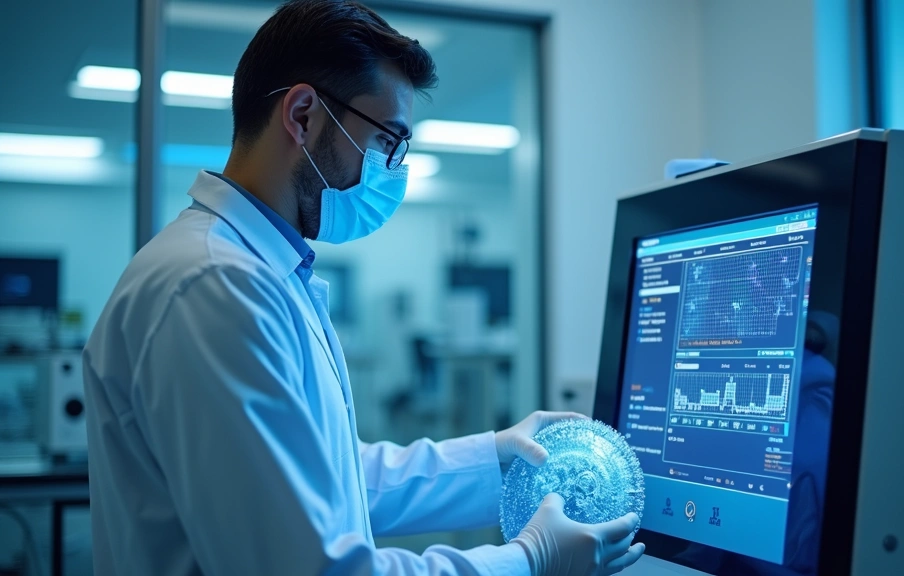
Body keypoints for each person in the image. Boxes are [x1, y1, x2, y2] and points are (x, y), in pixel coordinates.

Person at [82, 1, 645, 575]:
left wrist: (497, 458)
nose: (392, 171)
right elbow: (312, 567)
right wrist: (528, 560)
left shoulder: (261, 272)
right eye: (387, 142)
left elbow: (331, 477)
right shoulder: (215, 286)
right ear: (302, 115)